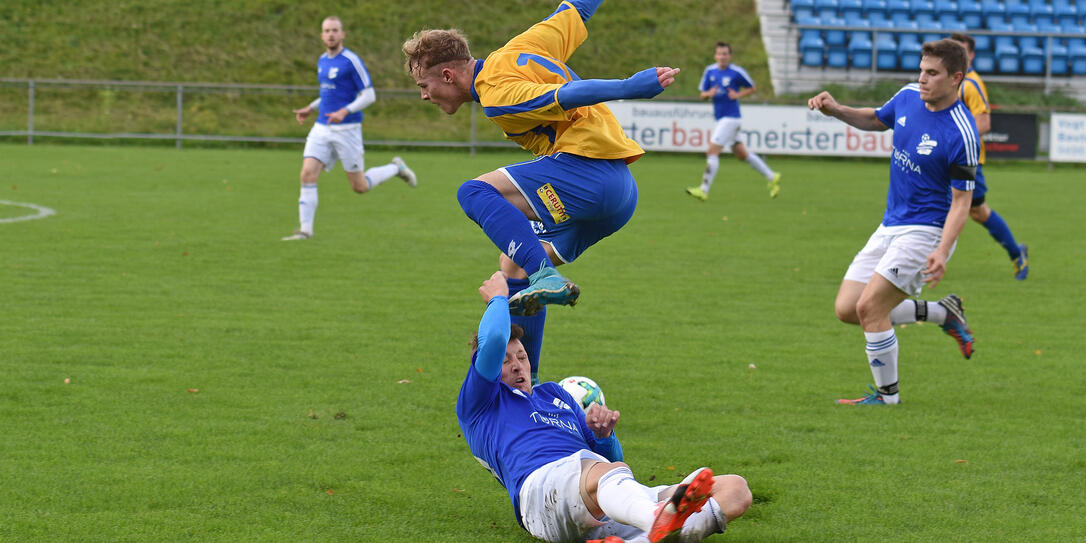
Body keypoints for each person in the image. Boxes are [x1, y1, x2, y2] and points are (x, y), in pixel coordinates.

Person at [402, 0, 679, 384]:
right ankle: (526, 391)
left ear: (447, 75)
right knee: (511, 263)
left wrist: (630, 86)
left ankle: (544, 275)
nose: (424, 95)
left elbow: (565, 95)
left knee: (474, 193)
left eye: (423, 85)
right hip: (621, 194)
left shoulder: (497, 93)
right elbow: (577, 9)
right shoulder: (519, 49)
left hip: (588, 173)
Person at [458, 271, 752, 543]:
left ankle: (657, 531)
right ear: (489, 367)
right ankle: (656, 520)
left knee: (734, 490)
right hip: (541, 495)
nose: (518, 366)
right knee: (606, 473)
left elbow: (618, 470)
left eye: (521, 356)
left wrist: (604, 436)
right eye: (505, 361)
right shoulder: (481, 402)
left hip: (596, 499)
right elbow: (495, 338)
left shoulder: (554, 394)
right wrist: (498, 297)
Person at [807, 39, 979, 406]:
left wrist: (944, 250)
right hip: (890, 224)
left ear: (955, 78)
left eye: (932, 73)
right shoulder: (906, 96)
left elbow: (963, 202)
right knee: (847, 308)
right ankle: (940, 312)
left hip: (926, 231)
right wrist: (836, 109)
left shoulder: (962, 132)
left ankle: (887, 399)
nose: (922, 79)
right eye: (921, 70)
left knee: (870, 309)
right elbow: (875, 119)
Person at [283, 15, 417, 241]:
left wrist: (345, 111)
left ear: (342, 34)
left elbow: (369, 94)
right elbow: (329, 94)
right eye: (326, 31)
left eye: (335, 30)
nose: (331, 34)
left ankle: (396, 168)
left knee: (360, 186)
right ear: (321, 35)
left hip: (347, 129)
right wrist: (310, 107)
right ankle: (305, 231)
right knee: (306, 173)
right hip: (322, 127)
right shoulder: (322, 61)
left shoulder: (351, 61)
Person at [948, 32, 1029, 280]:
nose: (957, 56)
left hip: (966, 159)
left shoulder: (971, 84)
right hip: (944, 158)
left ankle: (1017, 253)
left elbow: (983, 122)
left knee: (976, 210)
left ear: (971, 55)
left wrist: (954, 140)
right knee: (943, 205)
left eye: (962, 51)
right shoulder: (948, 81)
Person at [686, 42, 781, 202]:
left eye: (725, 54)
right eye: (719, 54)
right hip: (722, 119)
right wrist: (710, 93)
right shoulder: (710, 71)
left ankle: (703, 190)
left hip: (731, 118)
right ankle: (772, 176)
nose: (722, 57)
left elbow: (752, 88)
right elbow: (702, 95)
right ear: (715, 56)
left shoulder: (736, 72)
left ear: (729, 56)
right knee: (742, 154)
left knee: (711, 152)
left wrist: (738, 95)